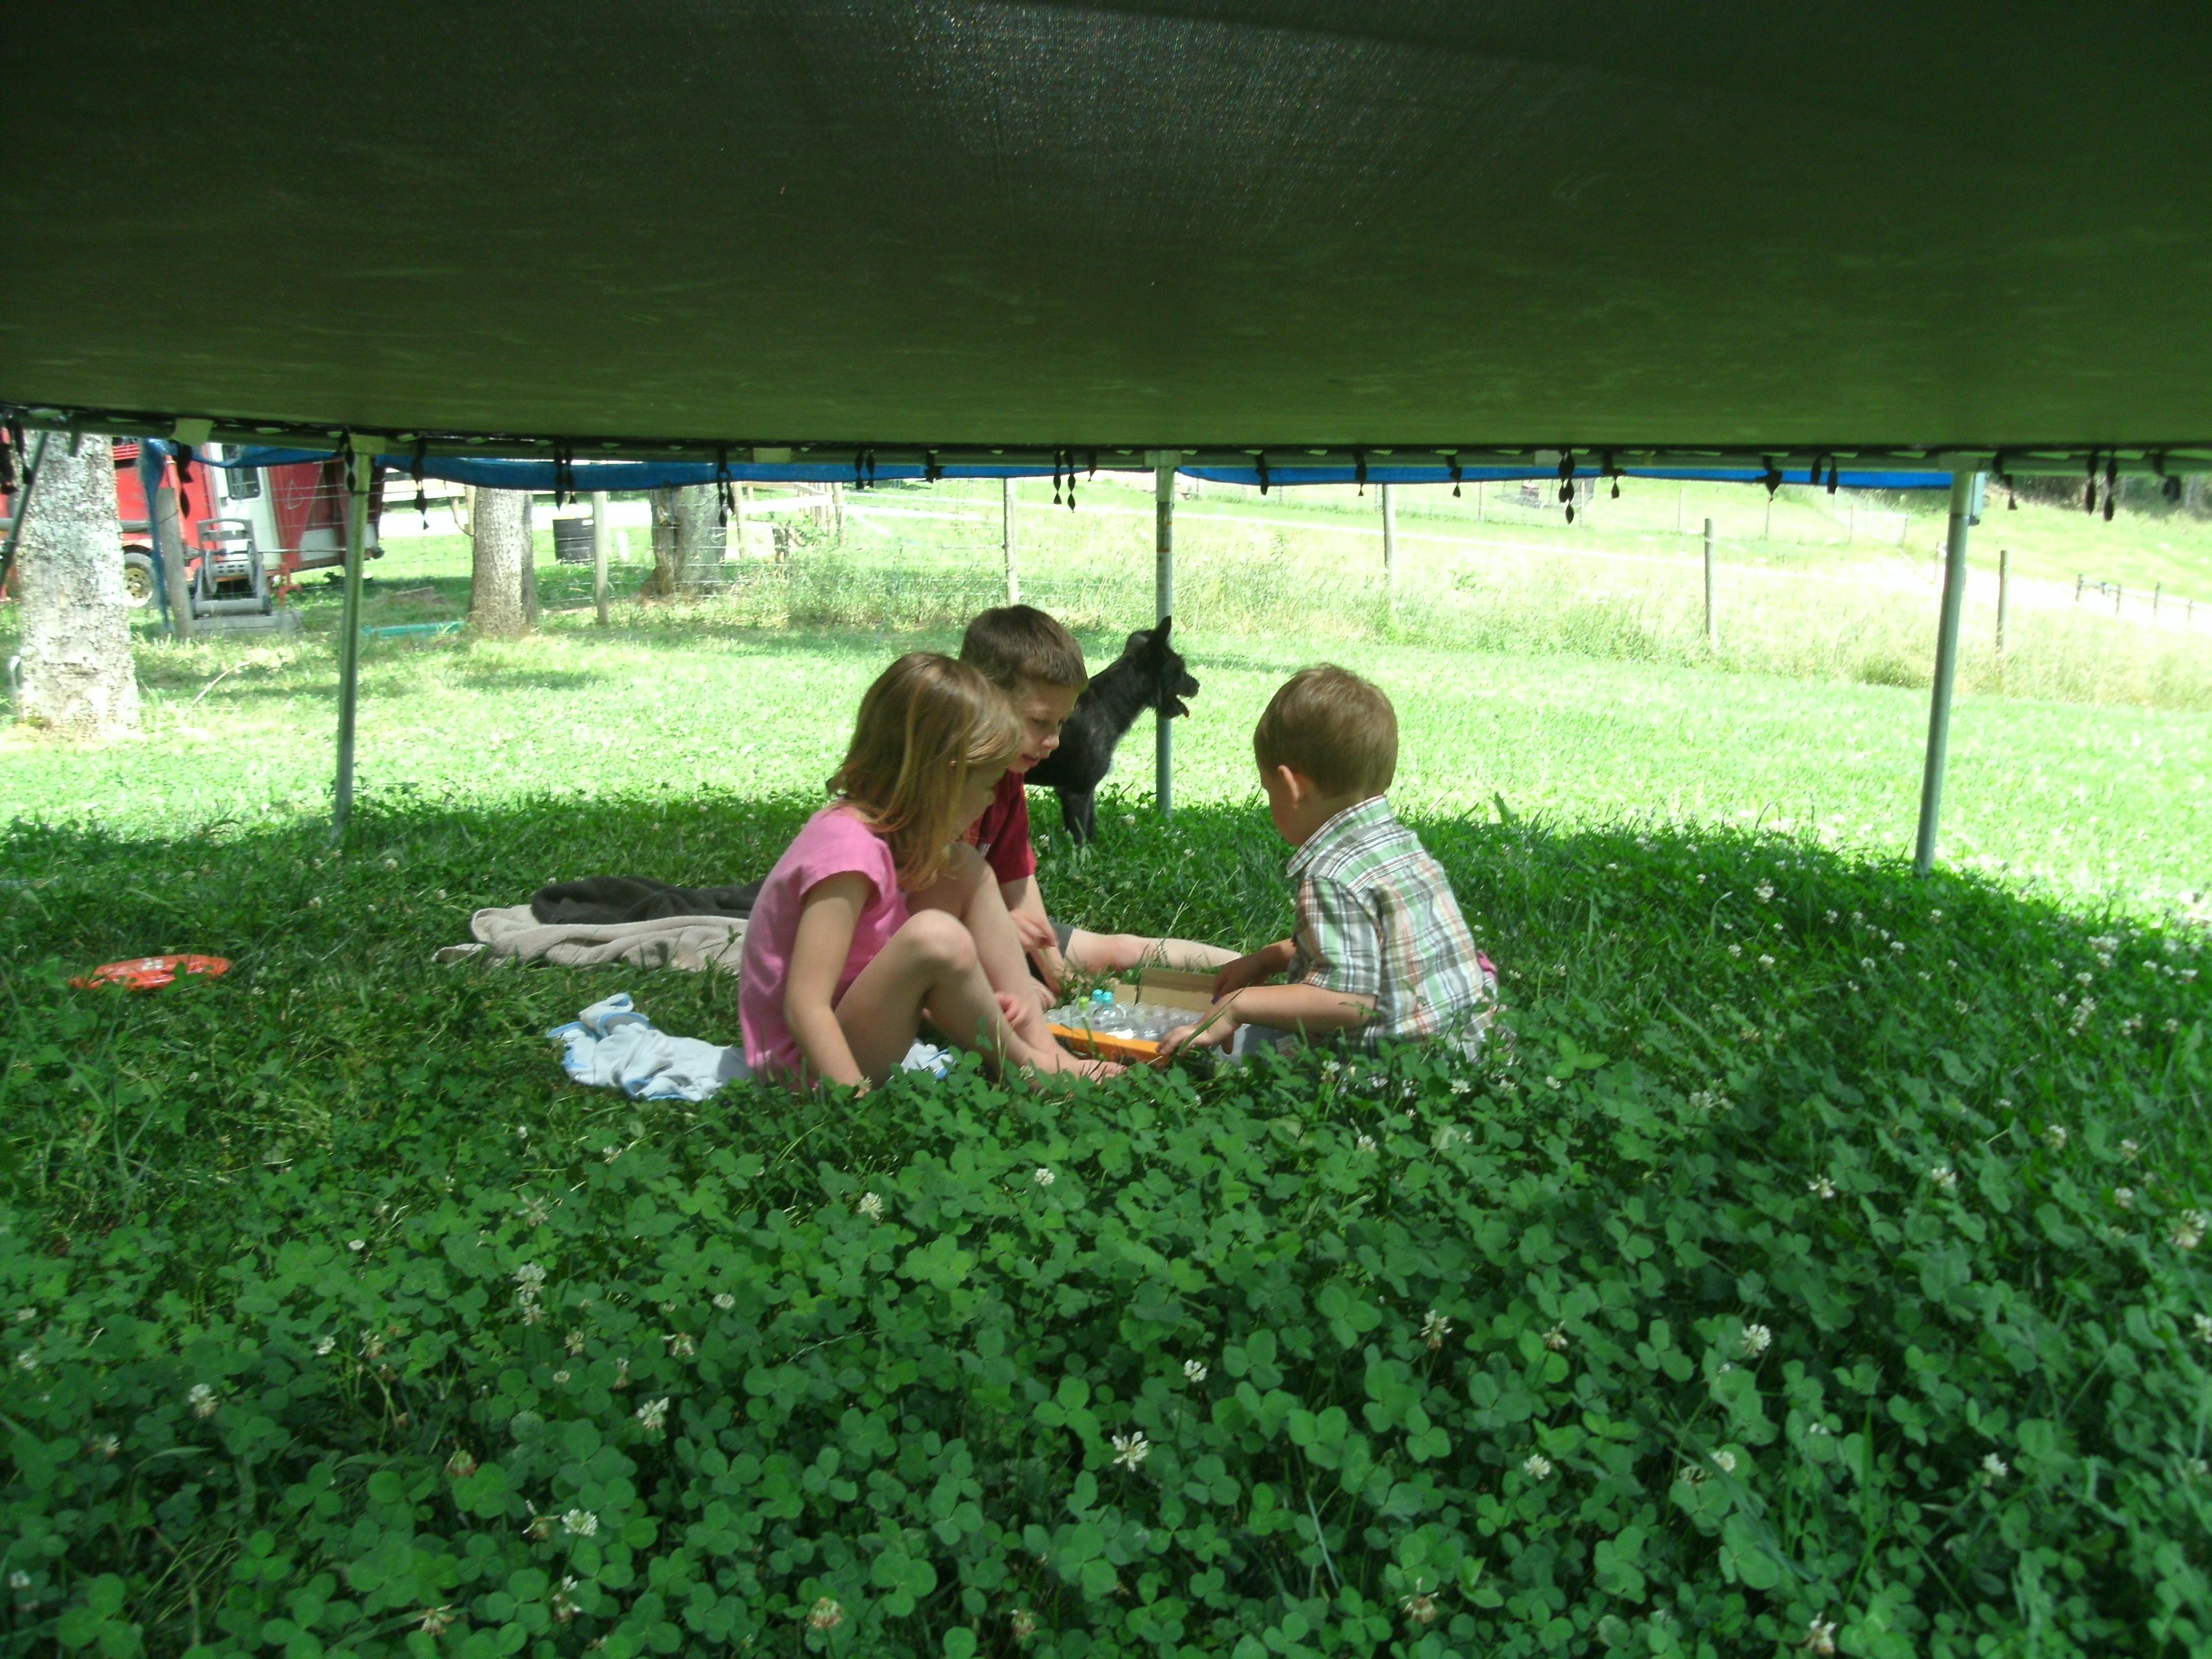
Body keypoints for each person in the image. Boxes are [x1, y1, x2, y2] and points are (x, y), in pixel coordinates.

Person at [738, 651, 1110, 1089]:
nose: (991, 801)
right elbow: (805, 1006)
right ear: (941, 780)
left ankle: (1042, 1049)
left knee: (963, 866)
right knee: (935, 935)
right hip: (812, 1065)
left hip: (854, 1027)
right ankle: (1025, 1065)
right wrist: (853, 1106)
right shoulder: (846, 852)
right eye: (987, 785)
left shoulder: (886, 838)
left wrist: (972, 997)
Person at [1158, 665, 1495, 1058]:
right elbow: (1370, 949)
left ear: (1291, 788)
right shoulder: (1400, 845)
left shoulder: (1332, 874)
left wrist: (1238, 1005)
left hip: (1390, 1071)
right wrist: (1268, 959)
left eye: (1269, 790)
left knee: (1208, 1049)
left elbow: (1348, 1001)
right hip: (1466, 1056)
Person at [958, 604, 1237, 992]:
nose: (1054, 741)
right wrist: (1011, 975)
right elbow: (915, 925)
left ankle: (1262, 966)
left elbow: (1017, 881)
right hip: (945, 946)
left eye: (1061, 723)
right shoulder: (932, 783)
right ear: (981, 698)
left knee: (1123, 950)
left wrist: (1056, 972)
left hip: (997, 931)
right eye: (1039, 722)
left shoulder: (1007, 778)